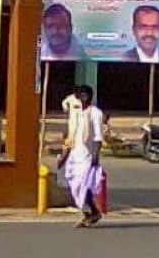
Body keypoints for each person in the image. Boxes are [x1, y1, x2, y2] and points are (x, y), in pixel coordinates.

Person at [58, 84, 105, 227]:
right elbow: (72, 136)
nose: (83, 98)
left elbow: (98, 137)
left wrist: (96, 156)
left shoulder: (95, 113)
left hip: (87, 155)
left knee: (83, 185)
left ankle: (94, 212)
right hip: (74, 154)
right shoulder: (77, 113)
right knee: (74, 185)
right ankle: (88, 213)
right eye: (81, 95)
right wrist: (64, 155)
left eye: (86, 95)